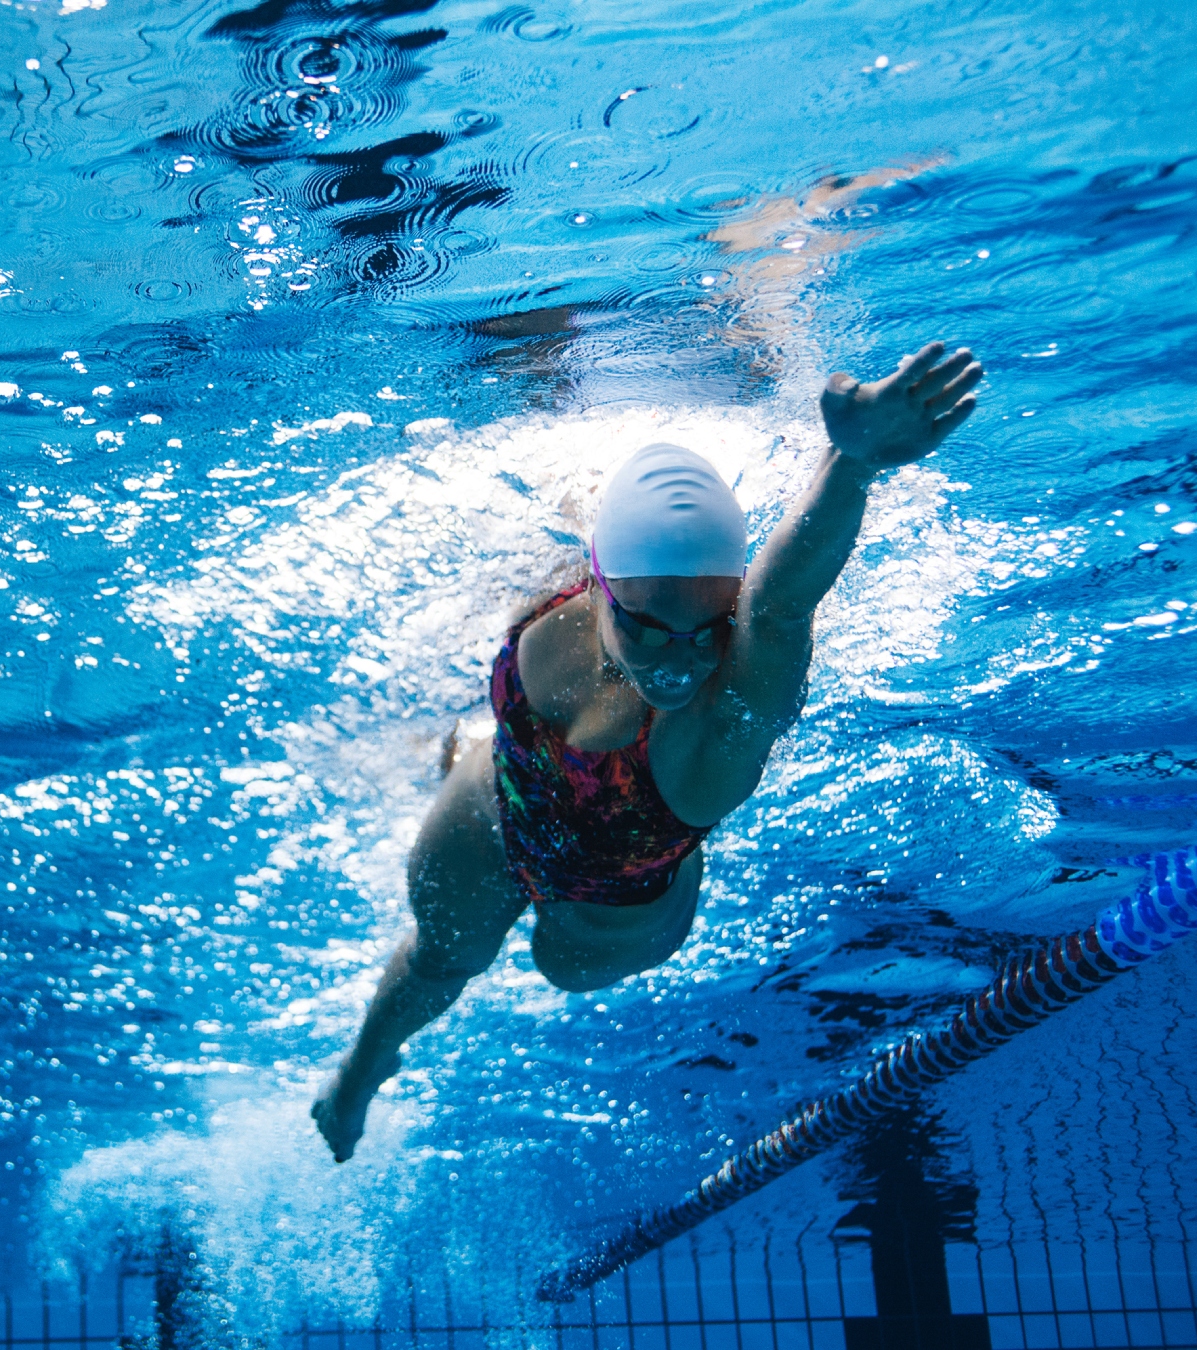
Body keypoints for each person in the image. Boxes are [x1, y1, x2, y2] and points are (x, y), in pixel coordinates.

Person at [312, 342, 983, 1162]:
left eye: (710, 629)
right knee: (442, 955)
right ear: (598, 580)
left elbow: (779, 608)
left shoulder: (727, 713)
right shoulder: (559, 595)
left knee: (561, 965)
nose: (680, 660)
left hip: (614, 900)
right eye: (647, 627)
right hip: (500, 808)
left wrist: (851, 465)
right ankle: (354, 1082)